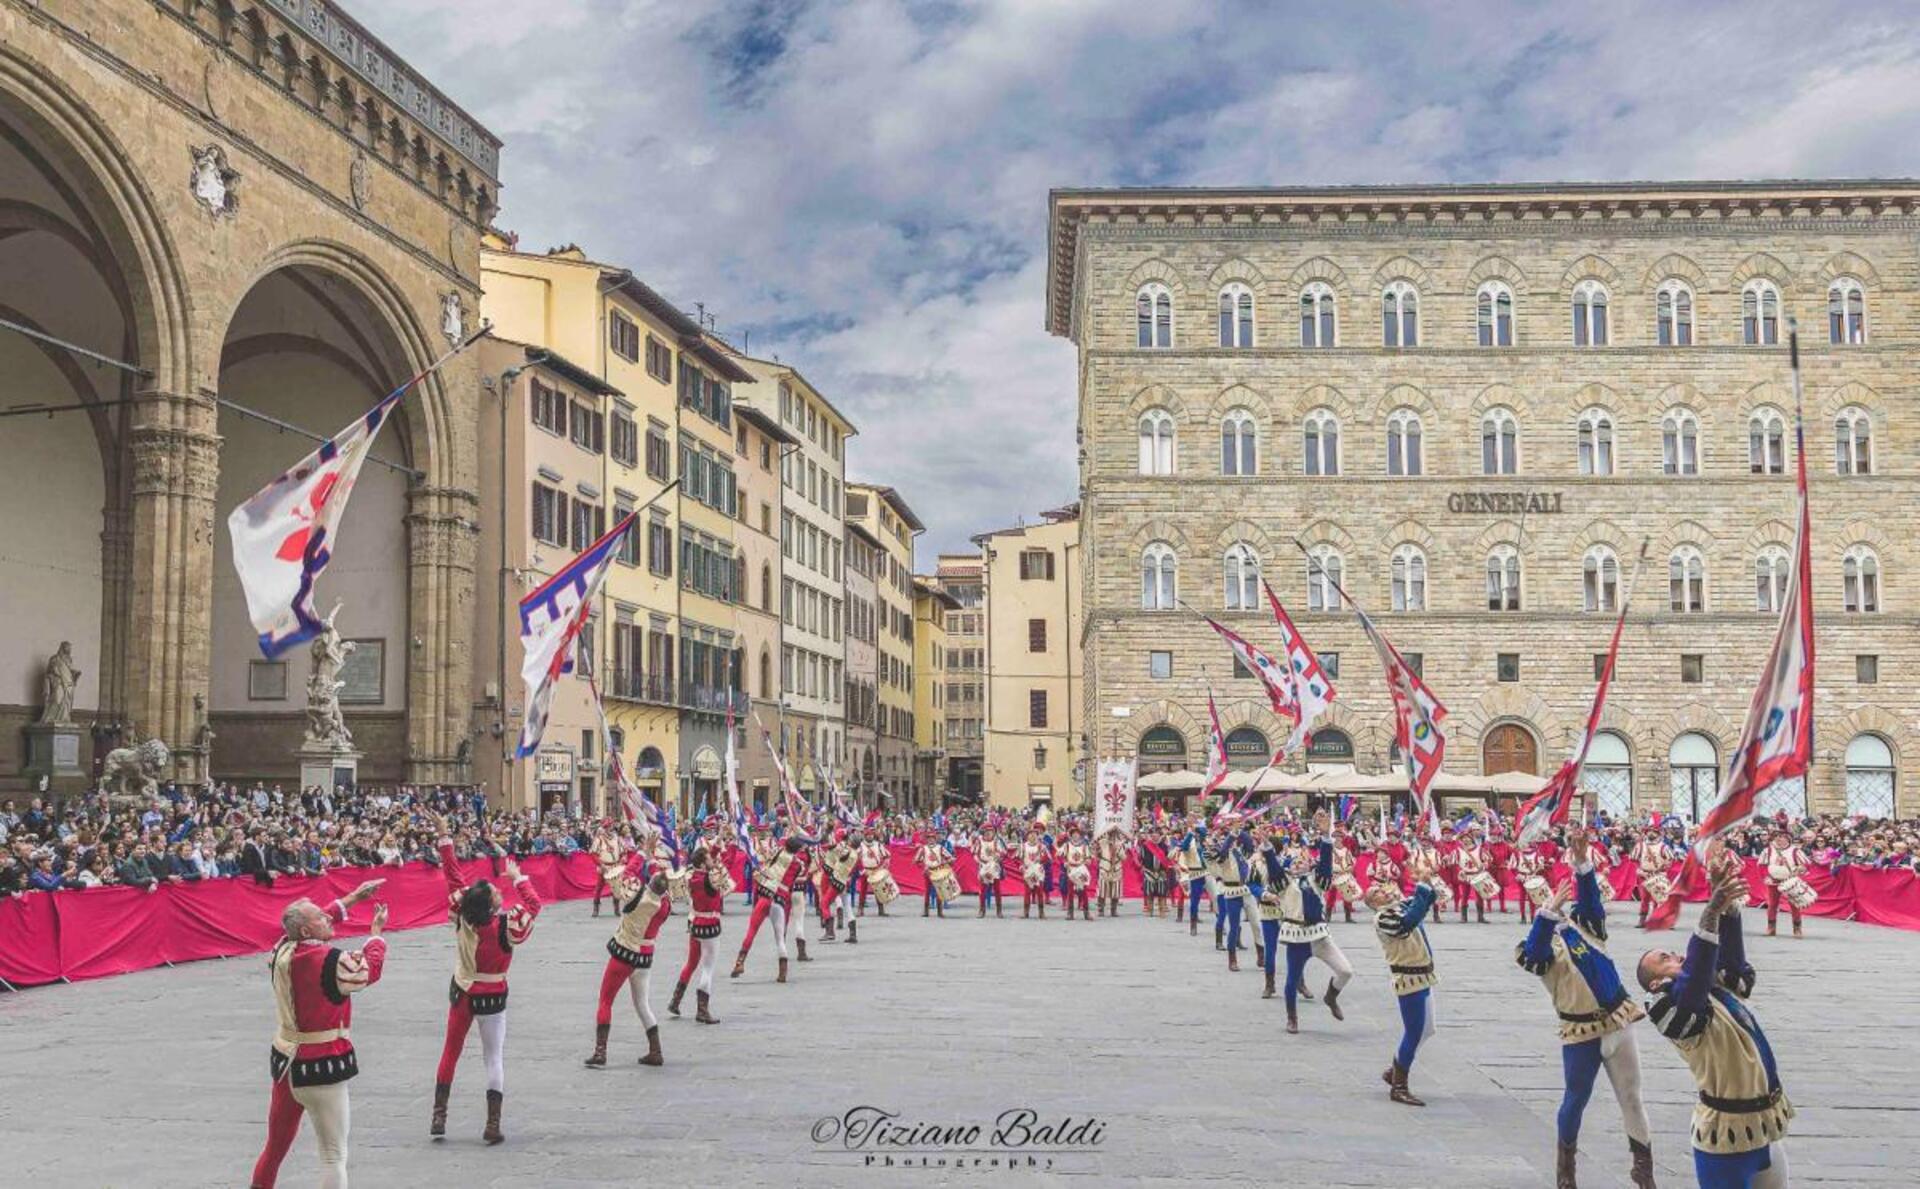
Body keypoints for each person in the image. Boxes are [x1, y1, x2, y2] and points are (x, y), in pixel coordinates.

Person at [1638, 847, 1793, 1189]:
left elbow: (1730, 964)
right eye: (1665, 957)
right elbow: (1694, 979)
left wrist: (1724, 901)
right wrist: (1709, 911)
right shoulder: (1669, 1009)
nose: (1676, 954)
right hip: (1726, 1136)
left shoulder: (1712, 989)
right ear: (1656, 981)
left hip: (1764, 1125)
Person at [1515, 827, 1655, 1189]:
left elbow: (1591, 902)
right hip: (1580, 1031)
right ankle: (1566, 1170)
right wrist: (1546, 914)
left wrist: (1581, 865)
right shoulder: (1538, 945)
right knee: (1576, 1099)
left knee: (1632, 1097)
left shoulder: (1588, 926)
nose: (1558, 903)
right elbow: (1533, 956)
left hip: (1618, 1021)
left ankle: (1644, 1171)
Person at [248, 879, 386, 1189]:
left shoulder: (282, 949)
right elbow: (369, 969)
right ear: (308, 931)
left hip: (286, 1063)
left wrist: (352, 898)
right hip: (322, 1066)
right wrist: (376, 935)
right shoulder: (330, 960)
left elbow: (308, 922)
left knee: (274, 1148)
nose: (327, 917)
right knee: (333, 1155)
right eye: (320, 918)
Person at [431, 833, 541, 1145]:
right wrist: (519, 878)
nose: (497, 890)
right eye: (495, 891)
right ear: (492, 902)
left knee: (450, 1052)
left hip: (463, 989)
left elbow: (453, 876)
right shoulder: (505, 925)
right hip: (492, 994)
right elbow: (534, 905)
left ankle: (439, 1115)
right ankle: (492, 1124)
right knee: (493, 1058)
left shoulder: (463, 915)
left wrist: (445, 840)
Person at [584, 853, 672, 1069]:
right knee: (642, 1003)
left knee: (606, 1000)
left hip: (625, 952)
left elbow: (628, 873)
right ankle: (656, 1050)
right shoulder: (664, 905)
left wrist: (643, 854)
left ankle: (600, 1051)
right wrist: (655, 866)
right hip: (645, 955)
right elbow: (660, 885)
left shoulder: (637, 895)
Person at [1366, 851, 1439, 1107]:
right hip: (1408, 978)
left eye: (1382, 889)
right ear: (1373, 904)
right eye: (1376, 893)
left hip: (1422, 975)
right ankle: (1399, 1084)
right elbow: (1409, 921)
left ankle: (1396, 1068)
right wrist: (1420, 885)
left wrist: (1425, 879)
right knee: (1414, 1031)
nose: (1383, 892)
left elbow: (1427, 900)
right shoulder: (1383, 918)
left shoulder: (1397, 906)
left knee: (1427, 1029)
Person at [1272, 813, 1355, 1033]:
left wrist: (1326, 835)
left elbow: (1327, 864)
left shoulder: (1317, 881)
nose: (1301, 861)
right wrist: (1266, 846)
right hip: (1297, 937)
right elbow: (1273, 867)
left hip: (1319, 937)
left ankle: (1331, 996)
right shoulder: (1284, 884)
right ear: (1290, 866)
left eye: (1304, 859)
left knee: (1346, 971)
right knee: (1291, 981)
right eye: (1296, 861)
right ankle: (1292, 1017)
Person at [668, 844, 732, 1024]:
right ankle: (702, 1010)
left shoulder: (691, 876)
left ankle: (675, 1000)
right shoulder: (711, 878)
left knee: (690, 963)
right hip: (710, 924)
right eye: (709, 859)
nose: (712, 860)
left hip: (695, 923)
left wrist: (715, 848)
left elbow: (706, 864)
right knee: (708, 968)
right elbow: (727, 884)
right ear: (704, 864)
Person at [733, 835, 804, 982]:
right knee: (780, 938)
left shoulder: (778, 852)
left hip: (766, 893)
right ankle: (782, 973)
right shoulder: (799, 864)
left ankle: (740, 962)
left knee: (752, 930)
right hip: (781, 898)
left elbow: (767, 862)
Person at [1761, 830, 1814, 938]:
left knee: (1794, 905)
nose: (1778, 839)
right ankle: (1771, 928)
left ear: (1788, 838)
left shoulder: (1795, 851)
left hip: (1790, 881)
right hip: (1773, 881)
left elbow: (1807, 864)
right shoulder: (1768, 851)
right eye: (1776, 837)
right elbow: (1761, 865)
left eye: (1781, 837)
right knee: (1772, 904)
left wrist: (1800, 869)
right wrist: (1765, 877)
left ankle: (1797, 929)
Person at [1175, 821, 1208, 934]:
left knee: (1217, 898)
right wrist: (1190, 834)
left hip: (1208, 873)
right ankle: (1193, 924)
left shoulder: (1207, 842)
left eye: (1200, 832)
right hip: (1195, 873)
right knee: (1195, 900)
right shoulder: (1189, 841)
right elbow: (1183, 848)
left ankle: (1221, 925)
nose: (1199, 834)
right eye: (1197, 832)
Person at [1059, 824, 1092, 921]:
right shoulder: (1067, 845)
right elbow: (1062, 856)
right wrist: (1065, 862)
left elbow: (1088, 857)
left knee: (1084, 892)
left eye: (1077, 834)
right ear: (1071, 835)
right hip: (1071, 870)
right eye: (1074, 834)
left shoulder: (1084, 845)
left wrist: (1088, 861)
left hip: (1081, 869)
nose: (1075, 835)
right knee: (1070, 892)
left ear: (1080, 835)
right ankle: (1070, 913)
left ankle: (1087, 913)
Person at [1020, 822, 1051, 919]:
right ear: (1027, 836)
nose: (1032, 837)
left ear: (1037, 836)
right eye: (1030, 835)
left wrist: (1041, 860)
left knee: (1040, 891)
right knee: (1027, 892)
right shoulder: (1023, 846)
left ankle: (1041, 912)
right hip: (1028, 870)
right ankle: (1026, 912)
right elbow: (1020, 858)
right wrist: (1022, 865)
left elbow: (1048, 858)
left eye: (1035, 835)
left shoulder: (1042, 846)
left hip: (1038, 871)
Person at [1094, 827, 1126, 917]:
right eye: (1110, 833)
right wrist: (1098, 850)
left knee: (1115, 890)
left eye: (1114, 834)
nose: (1112, 835)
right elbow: (1096, 855)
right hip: (1105, 867)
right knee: (1102, 890)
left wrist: (1118, 849)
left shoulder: (1120, 844)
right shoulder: (1102, 842)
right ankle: (1101, 910)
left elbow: (1124, 858)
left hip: (1116, 868)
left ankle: (1113, 910)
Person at [975, 828, 1005, 918]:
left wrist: (998, 857)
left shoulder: (997, 842)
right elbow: (975, 854)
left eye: (990, 832)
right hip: (984, 867)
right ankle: (981, 910)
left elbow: (1003, 852)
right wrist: (980, 862)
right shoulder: (979, 842)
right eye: (986, 832)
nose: (988, 834)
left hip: (994, 867)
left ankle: (999, 911)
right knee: (982, 890)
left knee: (997, 890)